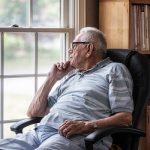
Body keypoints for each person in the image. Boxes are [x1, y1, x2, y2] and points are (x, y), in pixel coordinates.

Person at [0, 27, 133, 150]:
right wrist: (52, 78)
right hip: (39, 133)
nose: (70, 50)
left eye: (74, 45)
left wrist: (86, 126)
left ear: (89, 49)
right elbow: (34, 112)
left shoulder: (115, 69)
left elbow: (125, 118)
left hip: (75, 137)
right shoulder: (72, 76)